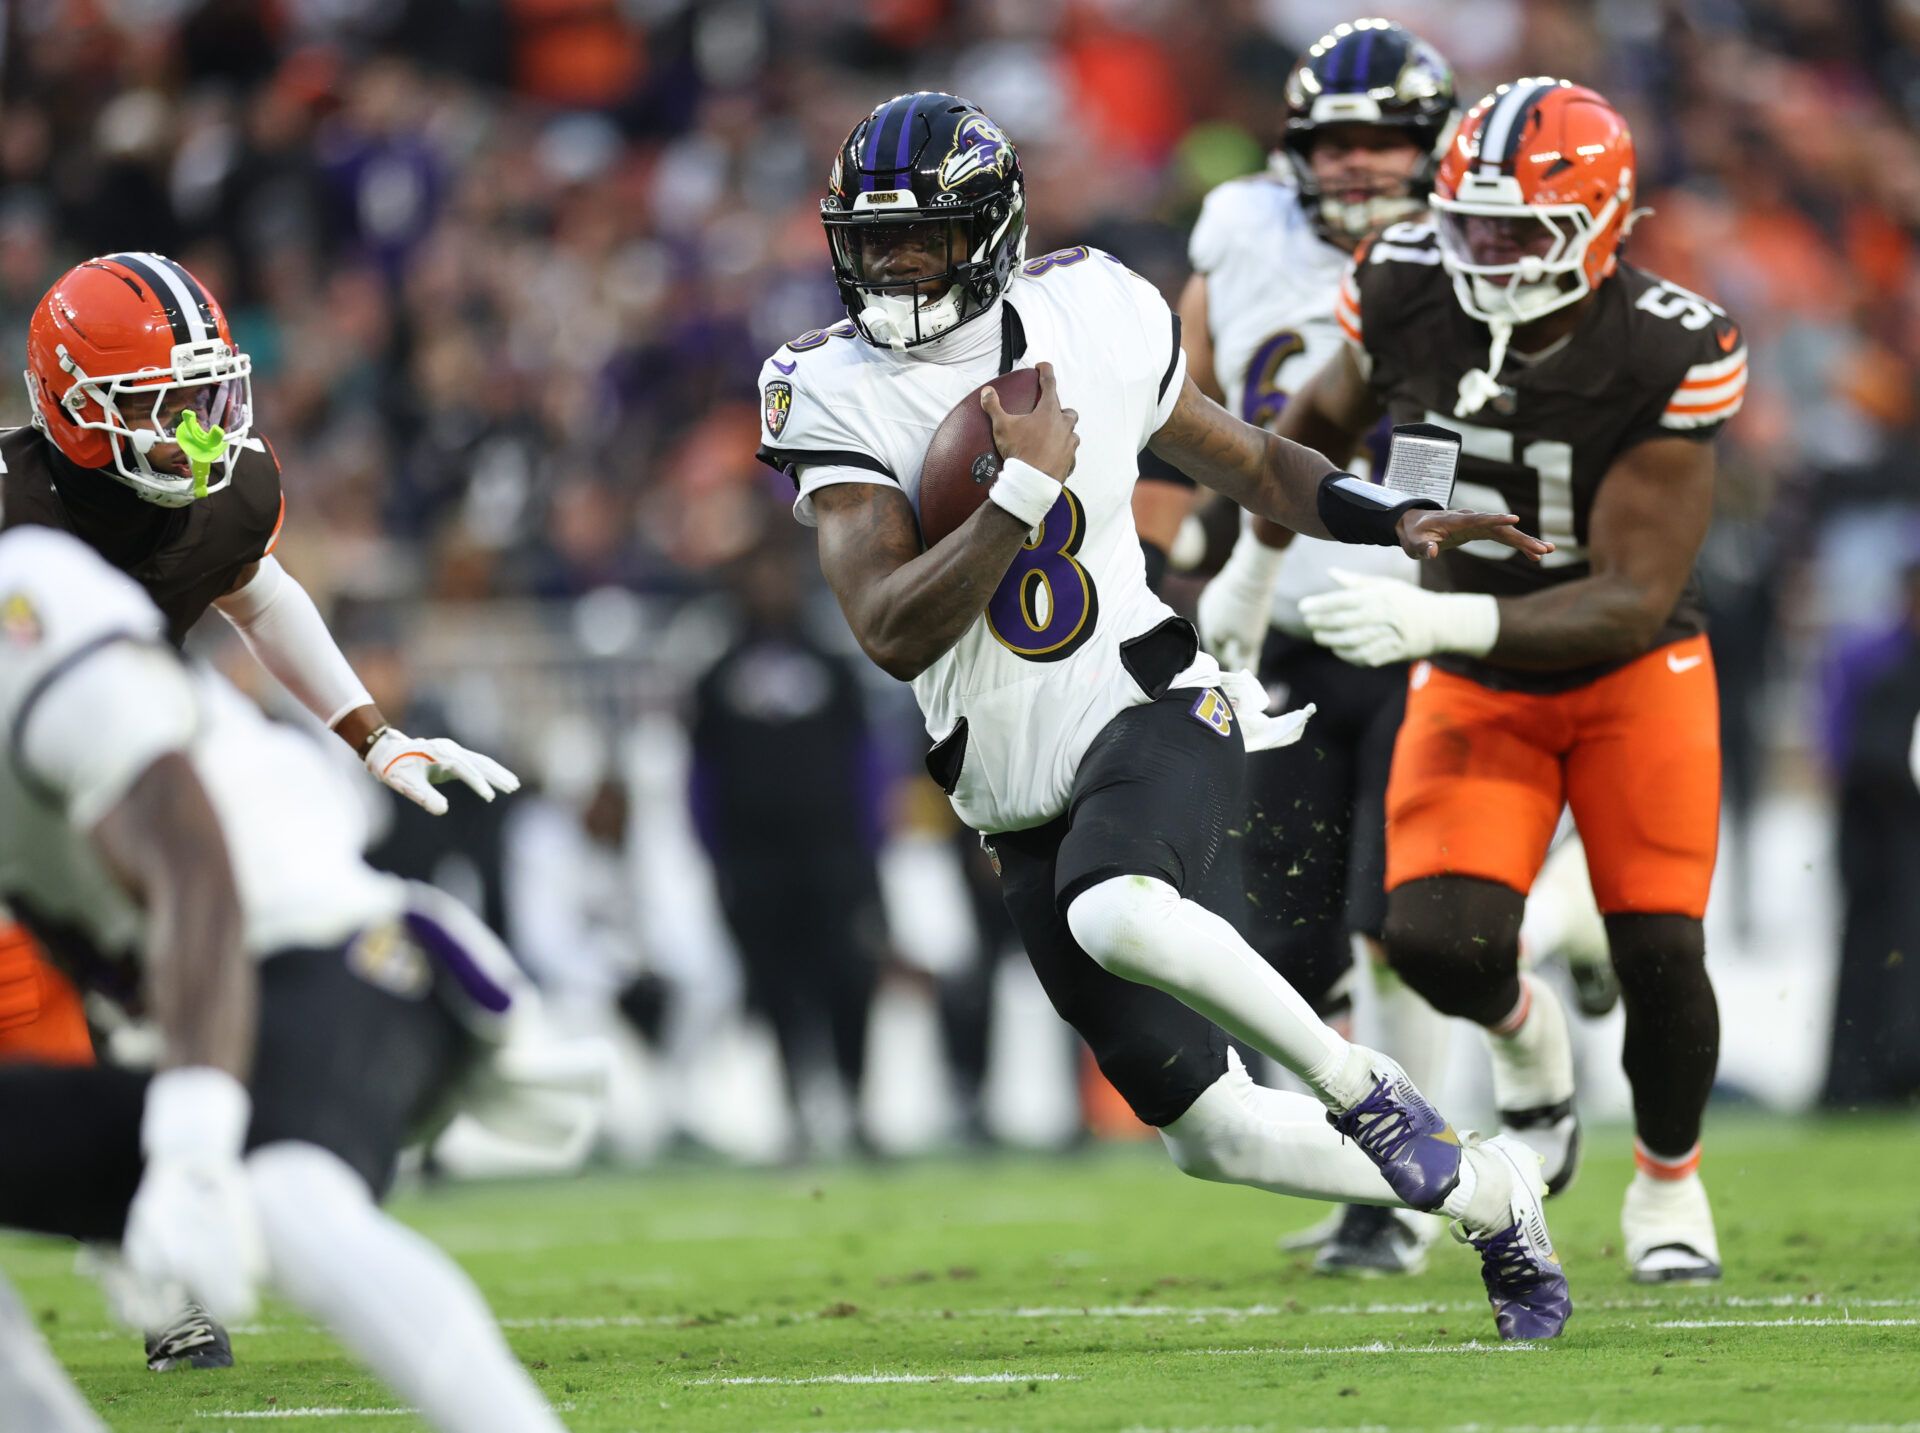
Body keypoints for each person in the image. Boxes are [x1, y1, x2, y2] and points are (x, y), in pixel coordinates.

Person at [755, 91, 1569, 1339]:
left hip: (1155, 696)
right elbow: (891, 627)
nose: (899, 265)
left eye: (926, 238)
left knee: (1119, 904)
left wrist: (1388, 512)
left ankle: (1370, 1086)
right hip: (1010, 783)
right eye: (876, 242)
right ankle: (1490, 1188)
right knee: (1215, 1137)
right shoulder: (827, 386)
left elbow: (1245, 457)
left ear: (995, 230)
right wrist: (1021, 488)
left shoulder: (1097, 307)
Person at [1, 250, 520, 1366]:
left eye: (205, 396)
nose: (196, 429)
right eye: (158, 405)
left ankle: (162, 1247)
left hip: (109, 792)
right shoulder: (15, 516)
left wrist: (371, 732)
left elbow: (256, 589)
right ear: (75, 414)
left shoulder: (227, 490)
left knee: (137, 995)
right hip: (23, 796)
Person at [1288, 79, 1745, 1282]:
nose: (1487, 253)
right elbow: (1312, 436)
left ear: (1603, 220)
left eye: (1519, 230)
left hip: (1632, 671)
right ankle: (1530, 1041)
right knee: (1433, 937)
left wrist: (1434, 612)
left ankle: (1667, 1181)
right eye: (1470, 223)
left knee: (1659, 948)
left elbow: (1635, 591)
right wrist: (1237, 555)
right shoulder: (1400, 286)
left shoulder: (1669, 342)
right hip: (1476, 671)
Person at [0, 524, 586, 1430]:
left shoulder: (24, 605)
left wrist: (192, 1145)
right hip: (192, 1015)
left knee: (284, 1193)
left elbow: (196, 868)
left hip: (332, 948)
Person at [1178, 17, 1460, 1276]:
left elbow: (1429, 449)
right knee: (1288, 939)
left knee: (1401, 916)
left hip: (1407, 624)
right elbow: (1182, 386)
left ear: (1432, 148)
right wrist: (1187, 546)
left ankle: (1416, 1185)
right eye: (1337, 143)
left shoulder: (1466, 248)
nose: (1356, 168)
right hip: (1274, 635)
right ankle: (1370, 1176)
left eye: (1384, 143)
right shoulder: (1237, 225)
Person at [688, 537, 888, 1157]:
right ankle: (796, 1106)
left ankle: (855, 1104)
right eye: (758, 576)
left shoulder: (834, 668)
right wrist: (715, 860)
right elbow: (700, 778)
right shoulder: (717, 678)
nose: (769, 588)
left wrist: (872, 851)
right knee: (776, 988)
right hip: (756, 865)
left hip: (834, 859)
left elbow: (868, 767)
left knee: (850, 981)